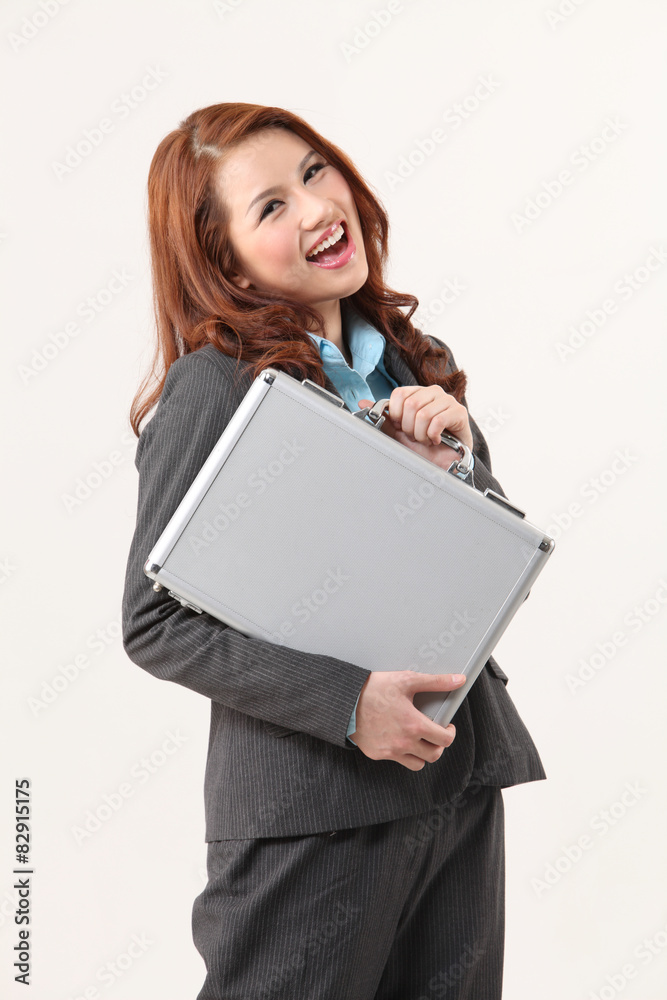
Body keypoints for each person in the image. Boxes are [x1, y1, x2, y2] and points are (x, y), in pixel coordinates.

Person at [121, 102, 546, 1000]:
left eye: (315, 173)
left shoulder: (412, 358)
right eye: (269, 206)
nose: (317, 208)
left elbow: (497, 556)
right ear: (221, 257)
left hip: (454, 777)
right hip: (309, 805)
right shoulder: (214, 385)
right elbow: (153, 621)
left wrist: (455, 462)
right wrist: (349, 704)